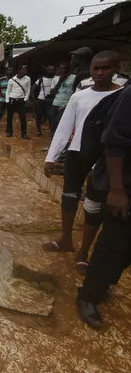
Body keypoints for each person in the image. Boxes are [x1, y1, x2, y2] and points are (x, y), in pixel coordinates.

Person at [43, 51, 124, 275]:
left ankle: (84, 252)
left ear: (115, 68)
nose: (99, 73)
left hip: (104, 158)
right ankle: (66, 239)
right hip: (78, 153)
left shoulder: (122, 97)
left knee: (93, 206)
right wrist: (52, 157)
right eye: (95, 69)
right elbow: (65, 127)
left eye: (105, 68)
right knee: (69, 197)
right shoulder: (79, 97)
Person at [76, 74, 131, 330]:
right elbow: (113, 141)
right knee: (113, 242)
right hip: (124, 186)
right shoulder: (127, 97)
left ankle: (105, 282)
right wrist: (117, 188)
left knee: (126, 249)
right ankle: (88, 296)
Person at [5, 65, 31, 139]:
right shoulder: (11, 80)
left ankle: (24, 133)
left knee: (23, 117)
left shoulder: (28, 79)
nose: (25, 71)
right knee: (9, 117)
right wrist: (7, 100)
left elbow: (28, 89)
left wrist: (25, 99)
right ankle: (9, 132)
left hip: (21, 100)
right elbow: (8, 91)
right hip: (12, 100)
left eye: (26, 70)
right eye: (24, 70)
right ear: (19, 71)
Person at [32, 66, 58, 137]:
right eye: (49, 70)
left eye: (53, 70)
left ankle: (52, 130)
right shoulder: (41, 79)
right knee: (39, 116)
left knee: (51, 116)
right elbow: (33, 88)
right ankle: (38, 130)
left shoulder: (57, 79)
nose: (51, 71)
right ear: (46, 71)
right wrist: (34, 100)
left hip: (52, 101)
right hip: (41, 100)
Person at [50, 62, 74, 134]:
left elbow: (75, 93)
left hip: (66, 106)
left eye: (65, 69)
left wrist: (66, 105)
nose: (63, 70)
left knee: (65, 128)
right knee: (53, 127)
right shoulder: (55, 79)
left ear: (69, 69)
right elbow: (52, 93)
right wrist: (60, 81)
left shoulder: (74, 78)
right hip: (55, 104)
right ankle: (53, 144)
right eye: (61, 68)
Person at [0, 67, 14, 133]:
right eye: (9, 70)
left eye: (12, 70)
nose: (10, 71)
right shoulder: (2, 79)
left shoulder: (14, 79)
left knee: (9, 115)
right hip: (2, 99)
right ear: (6, 71)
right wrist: (0, 93)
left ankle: (8, 129)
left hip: (10, 99)